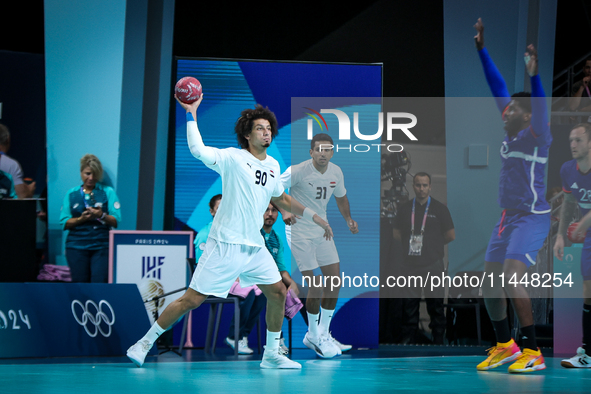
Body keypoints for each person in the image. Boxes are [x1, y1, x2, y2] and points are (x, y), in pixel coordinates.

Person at [127, 94, 333, 369]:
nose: (266, 132)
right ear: (247, 135)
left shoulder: (272, 165)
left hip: (254, 246)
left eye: (269, 128)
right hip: (225, 244)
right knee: (192, 299)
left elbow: (281, 197)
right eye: (260, 128)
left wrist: (313, 215)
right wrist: (191, 113)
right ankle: (143, 343)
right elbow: (197, 149)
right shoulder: (231, 158)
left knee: (277, 293)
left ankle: (271, 354)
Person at [473, 18, 551, 373]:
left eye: (512, 109)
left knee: (511, 276)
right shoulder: (511, 130)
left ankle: (533, 351)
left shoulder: (538, 134)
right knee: (489, 281)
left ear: (527, 115)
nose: (504, 112)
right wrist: (482, 50)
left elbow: (539, 106)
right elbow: (497, 85)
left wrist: (534, 76)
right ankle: (506, 345)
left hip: (532, 216)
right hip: (507, 217)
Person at [279, 133, 358, 359]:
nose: (323, 153)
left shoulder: (336, 172)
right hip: (299, 230)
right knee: (316, 283)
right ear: (311, 152)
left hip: (322, 229)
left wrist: (348, 220)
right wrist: (284, 212)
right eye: (318, 149)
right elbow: (273, 189)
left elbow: (341, 198)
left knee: (334, 280)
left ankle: (323, 333)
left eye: (327, 149)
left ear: (332, 152)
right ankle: (313, 334)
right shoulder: (297, 171)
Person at [392, 172, 455, 345]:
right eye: (418, 185)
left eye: (425, 185)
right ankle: (407, 340)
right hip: (410, 264)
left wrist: (433, 245)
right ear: (413, 186)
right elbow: (396, 233)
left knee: (435, 305)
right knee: (409, 305)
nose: (421, 188)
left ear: (430, 186)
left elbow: (451, 235)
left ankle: (438, 340)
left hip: (433, 264)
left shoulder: (440, 209)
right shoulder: (405, 208)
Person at [553, 122, 591, 368]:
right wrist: (559, 236)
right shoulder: (568, 169)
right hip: (590, 238)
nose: (573, 145)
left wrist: (585, 221)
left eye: (578, 140)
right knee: (588, 293)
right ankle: (586, 353)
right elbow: (567, 203)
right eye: (570, 141)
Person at [59, 154, 121, 283]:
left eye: (94, 174)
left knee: (99, 283)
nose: (91, 178)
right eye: (87, 173)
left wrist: (101, 215)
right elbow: (64, 222)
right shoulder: (71, 194)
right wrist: (81, 219)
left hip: (101, 245)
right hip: (76, 246)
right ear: (81, 172)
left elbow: (115, 221)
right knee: (79, 285)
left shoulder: (107, 192)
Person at [0, 123, 35, 198]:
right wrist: (29, 191)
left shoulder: (7, 173)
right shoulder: (12, 165)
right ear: (8, 139)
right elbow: (22, 196)